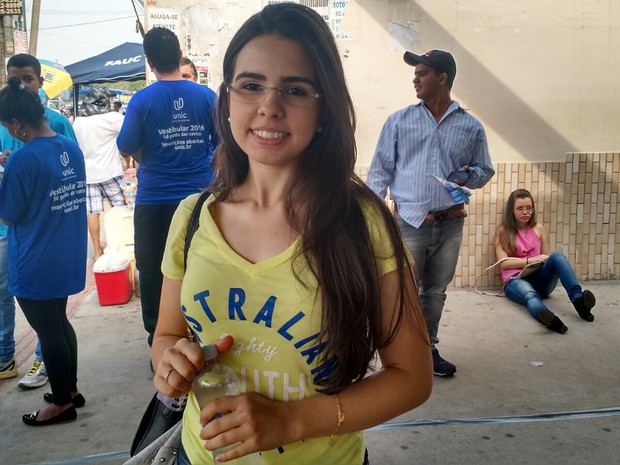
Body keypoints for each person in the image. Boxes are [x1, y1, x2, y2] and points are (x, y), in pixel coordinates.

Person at [150, 4, 432, 465]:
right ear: (227, 97)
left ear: (324, 110)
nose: (269, 106)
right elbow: (166, 333)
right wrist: (170, 360)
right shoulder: (192, 217)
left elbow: (412, 378)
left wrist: (291, 422)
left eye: (296, 90)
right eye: (251, 85)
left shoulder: (362, 223)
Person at [366, 49, 495, 377]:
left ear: (442, 78)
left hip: (451, 223)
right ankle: (397, 351)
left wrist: (468, 176)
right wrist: (369, 218)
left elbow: (485, 170)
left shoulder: (470, 127)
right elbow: (380, 171)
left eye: (422, 73)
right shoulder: (399, 120)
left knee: (435, 292)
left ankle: (427, 349)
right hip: (410, 222)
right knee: (401, 291)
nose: (415, 78)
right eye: (415, 73)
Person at [117, 27, 219, 349]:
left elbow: (126, 144)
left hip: (154, 201)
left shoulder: (142, 100)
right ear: (179, 55)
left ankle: (158, 341)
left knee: (152, 271)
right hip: (200, 197)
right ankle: (205, 333)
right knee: (203, 264)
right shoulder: (205, 96)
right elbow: (224, 144)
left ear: (149, 62)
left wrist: (147, 154)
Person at [0, 76, 87, 426]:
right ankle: (70, 389)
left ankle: (62, 403)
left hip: (34, 258)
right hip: (65, 251)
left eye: (7, 125)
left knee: (48, 330)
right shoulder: (69, 147)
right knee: (59, 323)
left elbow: (9, 213)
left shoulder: (23, 161)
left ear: (17, 123)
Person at [495, 189, 596, 333]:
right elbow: (503, 263)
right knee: (530, 294)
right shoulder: (502, 231)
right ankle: (550, 319)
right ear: (511, 210)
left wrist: (541, 260)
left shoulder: (538, 228)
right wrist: (530, 260)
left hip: (539, 279)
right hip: (514, 280)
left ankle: (579, 302)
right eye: (520, 208)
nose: (526, 212)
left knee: (557, 256)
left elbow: (548, 258)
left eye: (529, 208)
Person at [73, 109, 127, 260]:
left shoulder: (78, 122)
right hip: (110, 171)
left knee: (92, 212)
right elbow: (128, 134)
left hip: (88, 174)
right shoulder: (112, 118)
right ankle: (119, 245)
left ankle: (97, 250)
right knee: (120, 208)